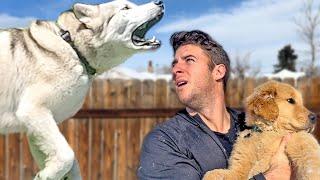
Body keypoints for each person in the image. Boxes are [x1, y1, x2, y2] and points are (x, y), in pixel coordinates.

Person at [137, 30, 291, 180]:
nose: (175, 69)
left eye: (189, 60)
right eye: (175, 63)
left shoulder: (256, 124)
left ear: (218, 72)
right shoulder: (166, 140)